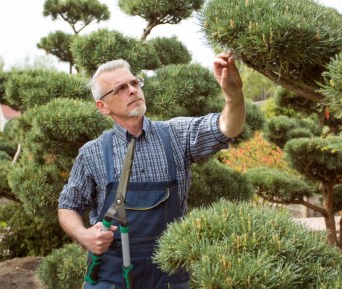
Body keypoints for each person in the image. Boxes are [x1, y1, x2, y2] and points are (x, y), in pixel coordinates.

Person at [58, 51, 245, 289]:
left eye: (134, 82)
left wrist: (234, 97)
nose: (133, 90)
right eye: (120, 88)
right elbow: (68, 206)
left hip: (170, 270)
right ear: (102, 106)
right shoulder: (92, 152)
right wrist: (84, 236)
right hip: (110, 273)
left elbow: (227, 127)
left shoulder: (177, 134)